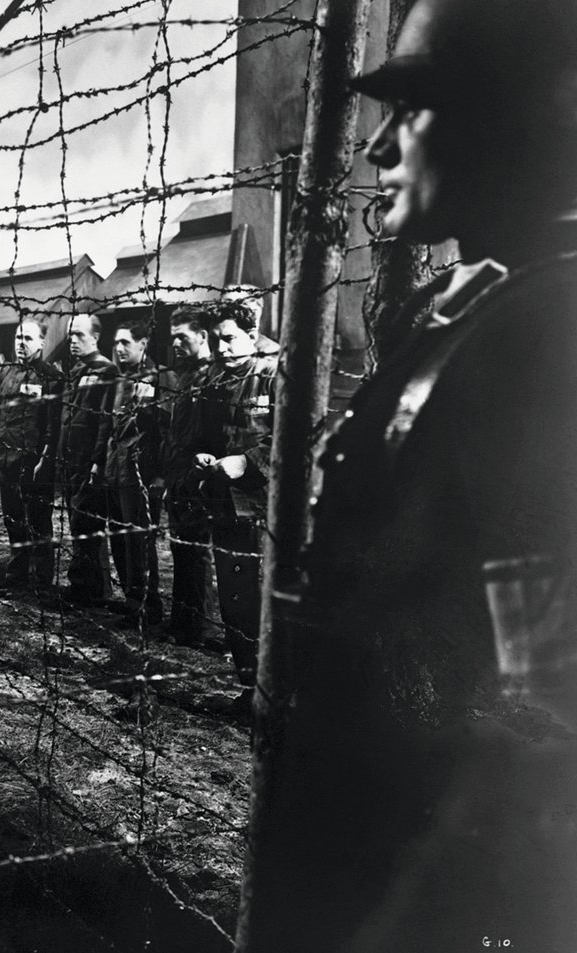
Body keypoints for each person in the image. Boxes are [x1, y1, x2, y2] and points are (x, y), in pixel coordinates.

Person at [241, 2, 577, 951]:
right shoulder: (493, 310)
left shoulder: (548, 337)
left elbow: (542, 711)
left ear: (511, 115)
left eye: (414, 108)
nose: (380, 146)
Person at [188, 302, 275, 700]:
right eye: (215, 340)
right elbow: (204, 436)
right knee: (235, 602)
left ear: (252, 337)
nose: (221, 348)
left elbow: (302, 437)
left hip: (267, 510)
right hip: (226, 508)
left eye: (229, 339)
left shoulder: (275, 375)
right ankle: (249, 689)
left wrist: (248, 461)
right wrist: (204, 455)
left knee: (268, 603)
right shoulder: (214, 381)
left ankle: (276, 692)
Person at [105, 318, 172, 628]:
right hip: (119, 469)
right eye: (115, 343)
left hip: (142, 473)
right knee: (122, 538)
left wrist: (160, 475)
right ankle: (134, 601)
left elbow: (164, 431)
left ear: (143, 344)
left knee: (140, 541)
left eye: (125, 343)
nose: (118, 349)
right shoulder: (122, 380)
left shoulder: (159, 379)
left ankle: (148, 608)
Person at [0, 318, 62, 591]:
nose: (21, 343)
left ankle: (43, 581)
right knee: (13, 518)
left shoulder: (51, 377)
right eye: (18, 337)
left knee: (39, 521)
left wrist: (45, 457)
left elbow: (53, 425)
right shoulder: (5, 372)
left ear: (42, 342)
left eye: (28, 339)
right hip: (7, 456)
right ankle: (17, 574)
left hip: (33, 461)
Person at [158, 307, 215, 645]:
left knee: (197, 553)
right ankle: (182, 623)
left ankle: (201, 627)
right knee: (181, 550)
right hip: (179, 476)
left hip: (201, 477)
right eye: (173, 337)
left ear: (203, 336)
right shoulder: (186, 376)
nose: (176, 343)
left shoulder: (213, 377)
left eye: (183, 336)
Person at [54, 313, 118, 606]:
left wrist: (97, 460)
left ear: (96, 337)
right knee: (78, 523)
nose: (73, 341)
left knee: (88, 526)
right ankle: (86, 586)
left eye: (79, 335)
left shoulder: (105, 370)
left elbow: (105, 421)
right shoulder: (77, 371)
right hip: (71, 460)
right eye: (70, 336)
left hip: (88, 462)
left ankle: (94, 590)